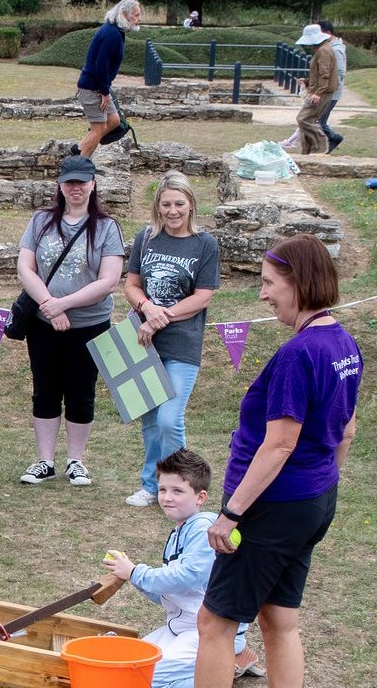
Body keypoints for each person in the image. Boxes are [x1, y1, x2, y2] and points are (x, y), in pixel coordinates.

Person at [194, 234, 361, 688]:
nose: (263, 294)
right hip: (313, 500)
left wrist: (230, 515)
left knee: (214, 624)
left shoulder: (298, 353)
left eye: (269, 283)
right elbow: (346, 430)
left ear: (299, 282)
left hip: (272, 506)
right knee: (279, 620)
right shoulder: (343, 343)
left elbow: (279, 445)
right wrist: (319, 486)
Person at [99, 449, 264, 687]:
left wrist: (136, 572)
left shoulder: (202, 527)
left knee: (141, 679)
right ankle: (228, 662)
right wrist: (132, 577)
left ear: (200, 497)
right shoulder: (181, 530)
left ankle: (226, 665)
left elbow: (188, 577)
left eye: (178, 491)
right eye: (163, 489)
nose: (167, 497)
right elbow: (174, 594)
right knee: (128, 666)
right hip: (180, 628)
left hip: (207, 634)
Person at [17, 154, 125, 487]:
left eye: (81, 182)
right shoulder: (40, 221)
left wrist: (63, 303)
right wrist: (50, 305)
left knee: (81, 392)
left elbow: (108, 280)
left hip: (89, 323)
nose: (75, 188)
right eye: (69, 183)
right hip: (43, 322)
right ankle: (44, 460)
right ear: (60, 186)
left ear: (93, 184)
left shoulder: (107, 227)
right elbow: (25, 267)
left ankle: (76, 460)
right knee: (45, 389)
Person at [122, 172, 221, 507]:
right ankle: (152, 486)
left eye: (179, 203)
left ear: (191, 204)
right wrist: (148, 308)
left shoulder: (205, 244)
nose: (173, 210)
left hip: (182, 342)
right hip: (145, 341)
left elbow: (202, 297)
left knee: (169, 418)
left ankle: (180, 487)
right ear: (158, 206)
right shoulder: (146, 238)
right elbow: (131, 286)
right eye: (166, 204)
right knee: (150, 418)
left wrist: (159, 318)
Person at [77, 0, 139, 159]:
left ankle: (79, 148)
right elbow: (101, 65)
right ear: (125, 15)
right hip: (93, 88)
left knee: (113, 120)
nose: (139, 18)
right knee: (98, 129)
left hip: (99, 87)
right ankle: (80, 164)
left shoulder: (116, 32)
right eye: (136, 15)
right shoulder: (111, 34)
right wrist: (104, 92)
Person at [292, 24, 341, 156]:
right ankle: (307, 151)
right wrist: (307, 82)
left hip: (322, 92)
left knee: (303, 118)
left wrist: (318, 93)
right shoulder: (322, 49)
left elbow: (325, 74)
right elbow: (319, 73)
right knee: (307, 120)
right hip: (317, 90)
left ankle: (321, 145)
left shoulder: (323, 51)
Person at [321, 21, 348, 153]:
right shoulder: (329, 47)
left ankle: (334, 138)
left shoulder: (336, 50)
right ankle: (332, 138)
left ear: (327, 33)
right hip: (326, 90)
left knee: (319, 120)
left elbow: (340, 73)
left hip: (331, 92)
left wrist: (328, 86)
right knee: (319, 120)